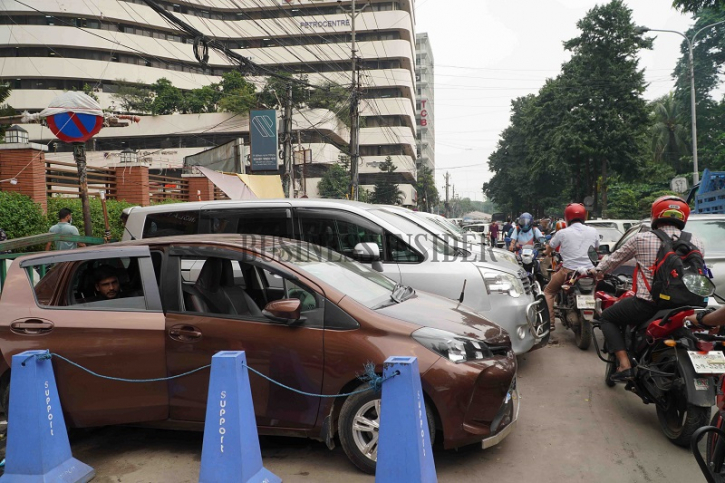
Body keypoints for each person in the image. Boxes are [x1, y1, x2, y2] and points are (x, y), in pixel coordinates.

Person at [590, 195, 704, 382]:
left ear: (655, 215)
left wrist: (596, 272)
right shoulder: (697, 242)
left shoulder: (641, 239)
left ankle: (625, 364)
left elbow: (612, 261)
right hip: (687, 306)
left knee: (607, 318)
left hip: (648, 304)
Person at [543, 203, 599, 331]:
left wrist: (546, 253)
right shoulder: (593, 231)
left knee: (548, 292)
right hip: (589, 272)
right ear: (584, 216)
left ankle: (550, 323)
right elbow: (595, 249)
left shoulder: (562, 232)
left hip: (568, 271)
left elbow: (550, 247)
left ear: (567, 217)